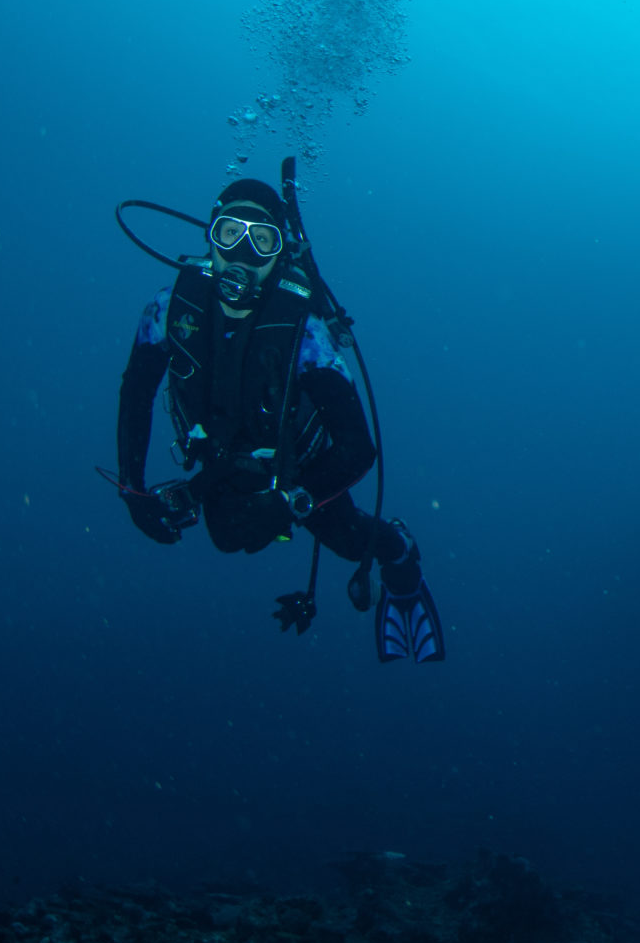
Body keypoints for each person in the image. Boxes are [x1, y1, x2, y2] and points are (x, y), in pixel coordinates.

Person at [110, 176, 444, 662]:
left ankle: (399, 551)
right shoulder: (167, 311)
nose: (243, 255)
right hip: (221, 456)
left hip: (300, 467)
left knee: (349, 541)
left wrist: (290, 502)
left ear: (279, 254)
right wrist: (132, 489)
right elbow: (135, 396)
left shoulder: (305, 333)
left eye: (262, 240)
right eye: (230, 234)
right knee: (228, 537)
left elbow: (357, 449)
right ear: (210, 238)